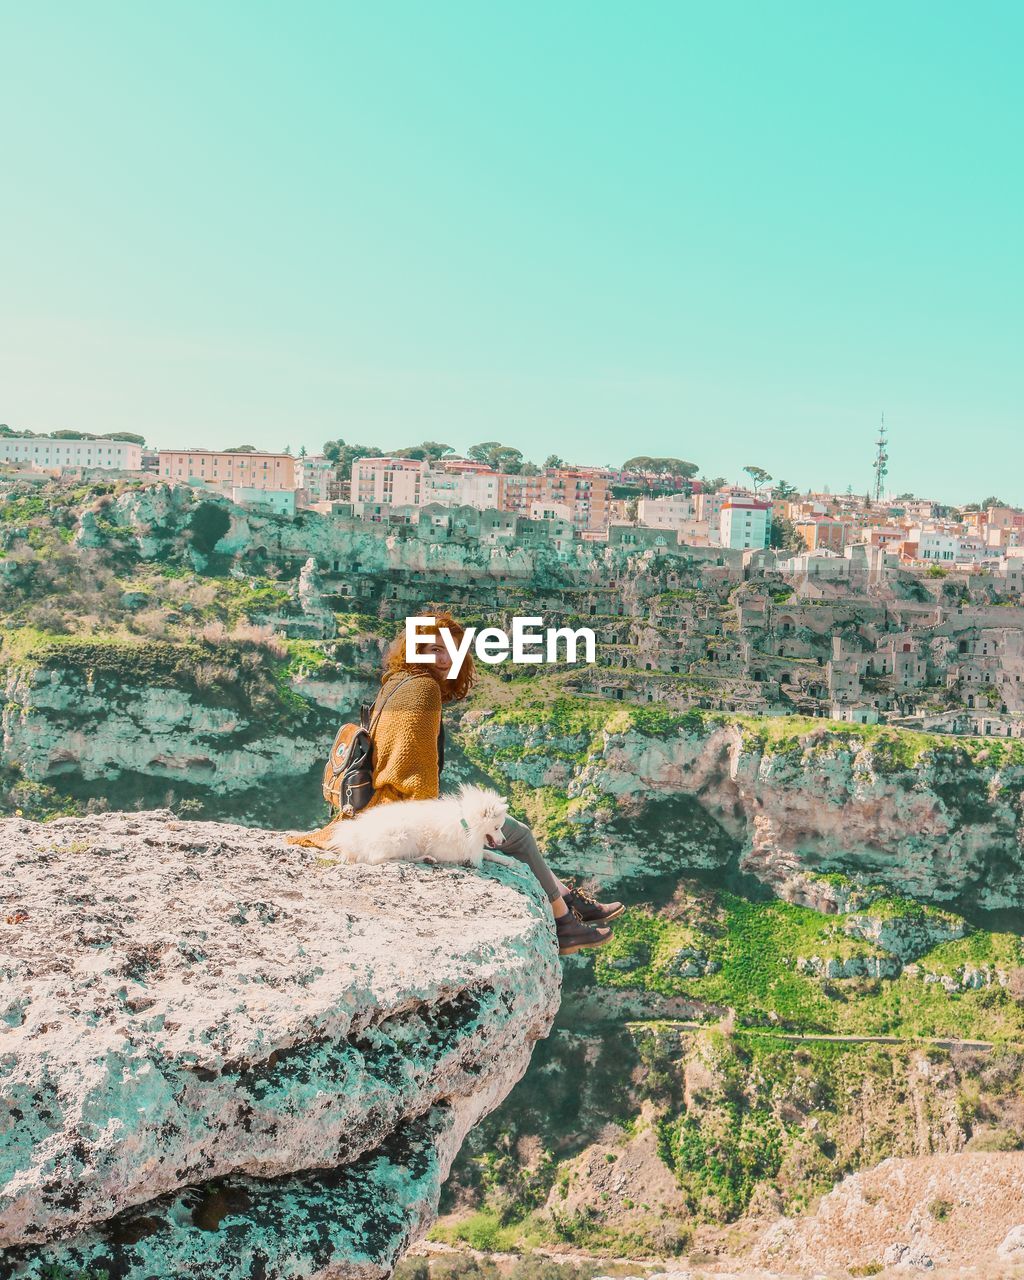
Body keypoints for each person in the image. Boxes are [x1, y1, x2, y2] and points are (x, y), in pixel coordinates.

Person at [288, 611, 623, 954]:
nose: (444, 658)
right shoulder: (424, 690)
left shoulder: (397, 680)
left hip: (376, 802)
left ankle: (567, 902)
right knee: (517, 835)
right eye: (432, 648)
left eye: (450, 649)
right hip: (395, 814)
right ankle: (565, 924)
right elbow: (414, 773)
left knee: (512, 830)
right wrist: (439, 826)